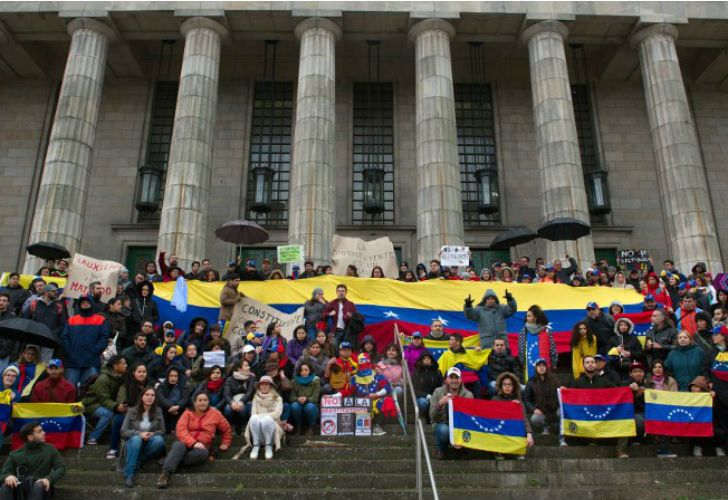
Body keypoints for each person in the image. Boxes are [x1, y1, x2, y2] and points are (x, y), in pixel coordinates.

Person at [158, 392, 232, 488]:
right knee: (178, 446)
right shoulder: (187, 413)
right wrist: (193, 443)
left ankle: (169, 461)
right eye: (200, 400)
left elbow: (227, 429)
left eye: (205, 400)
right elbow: (180, 429)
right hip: (184, 442)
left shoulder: (215, 414)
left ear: (208, 402)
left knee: (203, 454)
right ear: (195, 402)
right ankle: (165, 475)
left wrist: (225, 442)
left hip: (202, 446)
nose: (203, 402)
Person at [0, 421, 65, 500]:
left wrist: (49, 478)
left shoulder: (50, 449)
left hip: (42, 487)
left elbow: (61, 468)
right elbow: (4, 473)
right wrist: (9, 476)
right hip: (21, 489)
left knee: (38, 485)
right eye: (39, 431)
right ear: (30, 437)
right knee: (6, 485)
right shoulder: (15, 454)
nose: (44, 433)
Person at [82, 355, 128, 458]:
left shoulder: (119, 377)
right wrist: (116, 406)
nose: (126, 365)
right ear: (115, 366)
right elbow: (103, 399)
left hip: (103, 403)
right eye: (123, 363)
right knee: (108, 413)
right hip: (91, 404)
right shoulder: (104, 378)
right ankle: (92, 438)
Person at [119, 386, 166, 488]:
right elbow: (123, 431)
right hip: (133, 442)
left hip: (149, 443)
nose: (150, 397)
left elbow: (162, 431)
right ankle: (129, 474)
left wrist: (152, 434)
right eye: (147, 395)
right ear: (142, 397)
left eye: (152, 395)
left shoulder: (158, 411)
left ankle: (138, 460)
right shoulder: (132, 410)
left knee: (159, 440)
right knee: (136, 439)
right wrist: (139, 434)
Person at [61, 295, 110, 387]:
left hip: (92, 361)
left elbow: (104, 338)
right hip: (73, 362)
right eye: (83, 302)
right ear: (79, 305)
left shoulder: (101, 320)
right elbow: (64, 337)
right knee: (70, 389)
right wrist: (70, 351)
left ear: (92, 303)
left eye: (87, 302)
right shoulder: (72, 320)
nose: (85, 304)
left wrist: (94, 351)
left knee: (89, 391)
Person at [346, 353, 395, 436]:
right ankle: (354, 428)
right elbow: (349, 391)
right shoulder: (354, 378)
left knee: (388, 401)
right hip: (360, 403)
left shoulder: (376, 375)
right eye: (361, 362)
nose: (364, 365)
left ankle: (378, 426)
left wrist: (376, 394)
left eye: (366, 361)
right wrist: (349, 384)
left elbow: (387, 388)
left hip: (375, 401)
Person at [430, 367, 473, 459]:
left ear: (461, 380)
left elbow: (470, 417)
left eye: (456, 378)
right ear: (446, 380)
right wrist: (440, 404)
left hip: (461, 426)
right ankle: (441, 449)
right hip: (442, 423)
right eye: (451, 377)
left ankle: (462, 451)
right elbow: (432, 416)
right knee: (444, 431)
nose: (454, 380)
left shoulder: (468, 395)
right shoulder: (438, 392)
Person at [492, 372, 534, 460]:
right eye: (505, 384)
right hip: (500, 429)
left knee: (519, 426)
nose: (507, 386)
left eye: (510, 384)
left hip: (512, 430)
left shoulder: (518, 402)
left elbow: (524, 419)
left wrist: (529, 434)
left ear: (513, 386)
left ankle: (517, 452)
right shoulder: (495, 400)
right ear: (501, 386)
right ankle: (498, 452)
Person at [243, 375, 284, 460]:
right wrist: (262, 416)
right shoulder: (255, 398)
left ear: (271, 386)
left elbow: (277, 414)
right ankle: (256, 445)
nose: (264, 386)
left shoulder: (278, 398)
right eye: (262, 384)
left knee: (267, 419)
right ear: (259, 386)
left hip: (272, 431)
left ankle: (268, 446)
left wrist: (262, 416)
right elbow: (253, 414)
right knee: (253, 418)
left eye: (266, 384)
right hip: (258, 432)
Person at [438, 333, 487, 398]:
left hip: (469, 376)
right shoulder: (446, 354)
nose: (449, 342)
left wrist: (478, 350)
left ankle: (477, 405)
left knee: (476, 383)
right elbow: (440, 368)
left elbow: (479, 357)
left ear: (458, 342)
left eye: (451, 340)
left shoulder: (468, 352)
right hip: (454, 377)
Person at [517, 305, 557, 382]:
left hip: (541, 365)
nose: (526, 318)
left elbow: (552, 348)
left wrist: (554, 362)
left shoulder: (546, 330)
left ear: (535, 317)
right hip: (533, 366)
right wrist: (523, 363)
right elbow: (521, 349)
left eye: (529, 316)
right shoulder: (525, 331)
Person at [523, 358, 560, 437]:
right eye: (539, 366)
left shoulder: (554, 380)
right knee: (534, 418)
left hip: (554, 408)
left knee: (561, 412)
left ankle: (559, 429)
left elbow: (559, 393)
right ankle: (545, 427)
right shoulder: (531, 381)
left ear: (546, 367)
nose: (542, 367)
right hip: (541, 410)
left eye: (543, 365)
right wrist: (534, 409)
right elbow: (526, 400)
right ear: (536, 368)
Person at [223, 358, 256, 433]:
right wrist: (232, 402)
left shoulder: (251, 378)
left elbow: (250, 391)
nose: (249, 367)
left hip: (247, 401)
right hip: (233, 400)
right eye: (246, 366)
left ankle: (244, 426)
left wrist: (242, 401)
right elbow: (226, 394)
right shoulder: (229, 379)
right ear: (239, 368)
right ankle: (231, 426)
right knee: (228, 409)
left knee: (243, 408)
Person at [289, 361, 321, 435]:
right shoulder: (294, 381)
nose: (303, 372)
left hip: (310, 405)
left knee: (310, 407)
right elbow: (291, 397)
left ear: (310, 371)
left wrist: (307, 399)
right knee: (294, 406)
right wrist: (298, 399)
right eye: (302, 370)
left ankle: (311, 427)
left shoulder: (316, 381)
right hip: (298, 404)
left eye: (306, 370)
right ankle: (298, 426)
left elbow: (315, 398)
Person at [321, 284, 357, 349]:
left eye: (343, 291)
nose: (341, 293)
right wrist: (329, 314)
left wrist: (351, 316)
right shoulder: (332, 303)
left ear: (346, 292)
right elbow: (323, 315)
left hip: (347, 331)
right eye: (339, 291)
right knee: (335, 348)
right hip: (336, 331)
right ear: (336, 292)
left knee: (346, 348)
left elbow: (357, 316)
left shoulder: (350, 304)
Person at [156, 366, 190, 433]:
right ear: (167, 376)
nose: (173, 378)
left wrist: (177, 406)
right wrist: (172, 406)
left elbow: (185, 398)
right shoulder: (162, 386)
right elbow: (161, 398)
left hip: (179, 410)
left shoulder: (183, 386)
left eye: (175, 376)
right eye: (171, 376)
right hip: (166, 410)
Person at [412, 351, 442, 423]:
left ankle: (431, 418)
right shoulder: (416, 372)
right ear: (421, 360)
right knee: (423, 402)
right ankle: (420, 417)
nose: (426, 360)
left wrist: (434, 396)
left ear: (431, 360)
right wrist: (426, 395)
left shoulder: (437, 372)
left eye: (428, 358)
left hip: (434, 396)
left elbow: (440, 387)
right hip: (420, 397)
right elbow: (413, 390)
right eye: (424, 358)